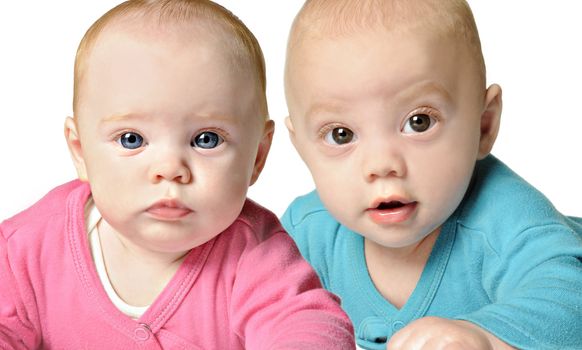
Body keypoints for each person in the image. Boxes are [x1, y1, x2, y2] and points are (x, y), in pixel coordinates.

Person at [0, 1, 355, 348]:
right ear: (80, 152)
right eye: (132, 139)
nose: (170, 169)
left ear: (258, 156)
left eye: (206, 139)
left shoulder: (254, 254)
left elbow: (305, 323)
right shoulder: (25, 250)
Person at [281, 0, 582, 349]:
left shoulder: (508, 221)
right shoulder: (306, 235)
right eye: (341, 134)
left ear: (483, 126)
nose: (381, 164)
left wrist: (483, 337)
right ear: (301, 147)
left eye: (418, 122)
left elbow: (570, 295)